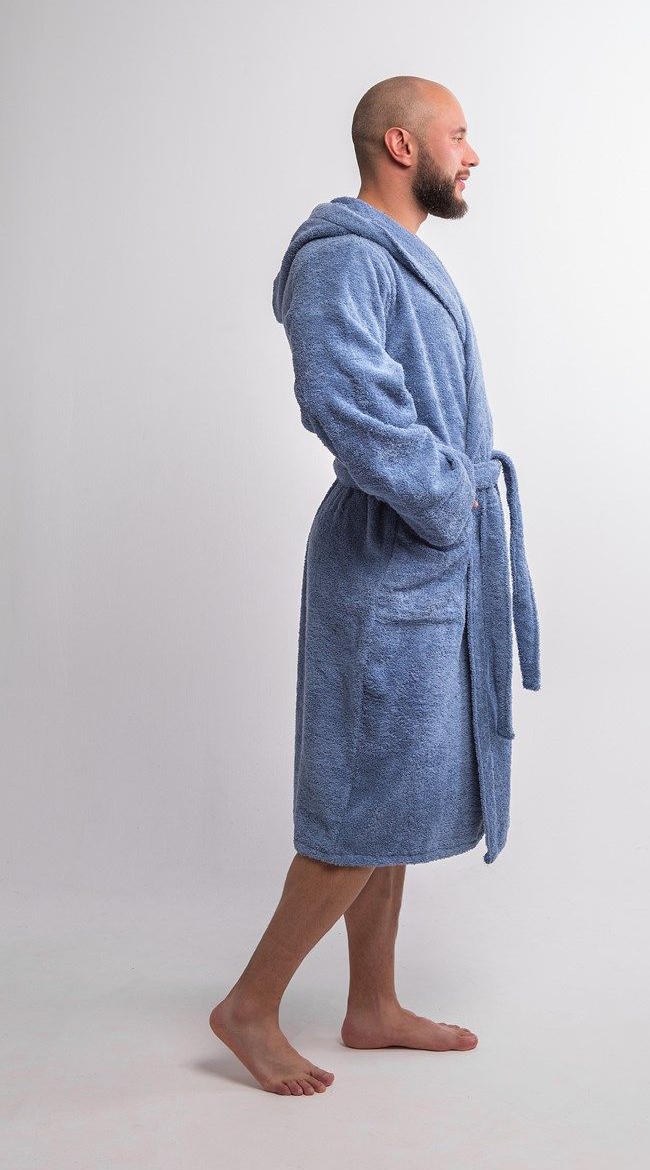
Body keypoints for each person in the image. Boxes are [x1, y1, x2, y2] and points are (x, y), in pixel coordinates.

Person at [209, 76, 541, 1097]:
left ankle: (372, 1005)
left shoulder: (396, 254)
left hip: (421, 553)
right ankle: (250, 1006)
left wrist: (451, 512)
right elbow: (342, 398)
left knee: (395, 790)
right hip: (391, 552)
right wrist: (445, 499)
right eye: (458, 135)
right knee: (362, 797)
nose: (472, 155)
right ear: (401, 146)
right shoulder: (342, 256)